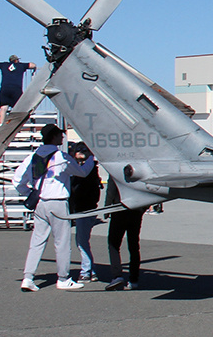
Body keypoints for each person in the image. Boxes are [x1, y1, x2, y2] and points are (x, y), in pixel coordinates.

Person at [14, 124, 97, 291]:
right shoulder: (60, 156)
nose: (62, 137)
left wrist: (31, 192)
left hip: (40, 202)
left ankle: (28, 277)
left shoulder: (33, 157)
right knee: (62, 242)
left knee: (37, 242)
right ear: (54, 137)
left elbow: (17, 181)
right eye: (60, 134)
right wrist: (91, 160)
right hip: (58, 202)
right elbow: (81, 172)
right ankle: (63, 278)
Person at [68, 142, 103, 281]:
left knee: (82, 242)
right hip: (84, 208)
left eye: (84, 150)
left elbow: (83, 191)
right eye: (79, 150)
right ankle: (91, 270)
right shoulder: (84, 169)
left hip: (85, 209)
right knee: (83, 241)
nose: (81, 152)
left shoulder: (87, 171)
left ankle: (86, 271)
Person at [105, 180, 146, 290]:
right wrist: (143, 208)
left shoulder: (116, 169)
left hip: (119, 209)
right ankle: (134, 279)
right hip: (136, 209)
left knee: (113, 244)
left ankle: (117, 275)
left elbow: (111, 190)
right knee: (133, 246)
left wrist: (107, 209)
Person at [0, 55, 35, 126]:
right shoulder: (21, 66)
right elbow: (33, 65)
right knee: (17, 108)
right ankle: (15, 125)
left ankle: (1, 125)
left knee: (3, 108)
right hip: (16, 89)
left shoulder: (4, 65)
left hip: (4, 88)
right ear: (16, 60)